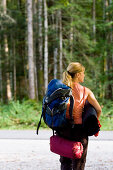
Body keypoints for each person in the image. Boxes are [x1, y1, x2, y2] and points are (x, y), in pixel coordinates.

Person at [59, 62, 102, 170]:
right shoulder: (85, 91)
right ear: (78, 74)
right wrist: (93, 121)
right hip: (79, 132)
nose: (84, 75)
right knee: (79, 163)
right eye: (83, 73)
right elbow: (98, 109)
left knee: (65, 163)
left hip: (63, 130)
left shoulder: (60, 89)